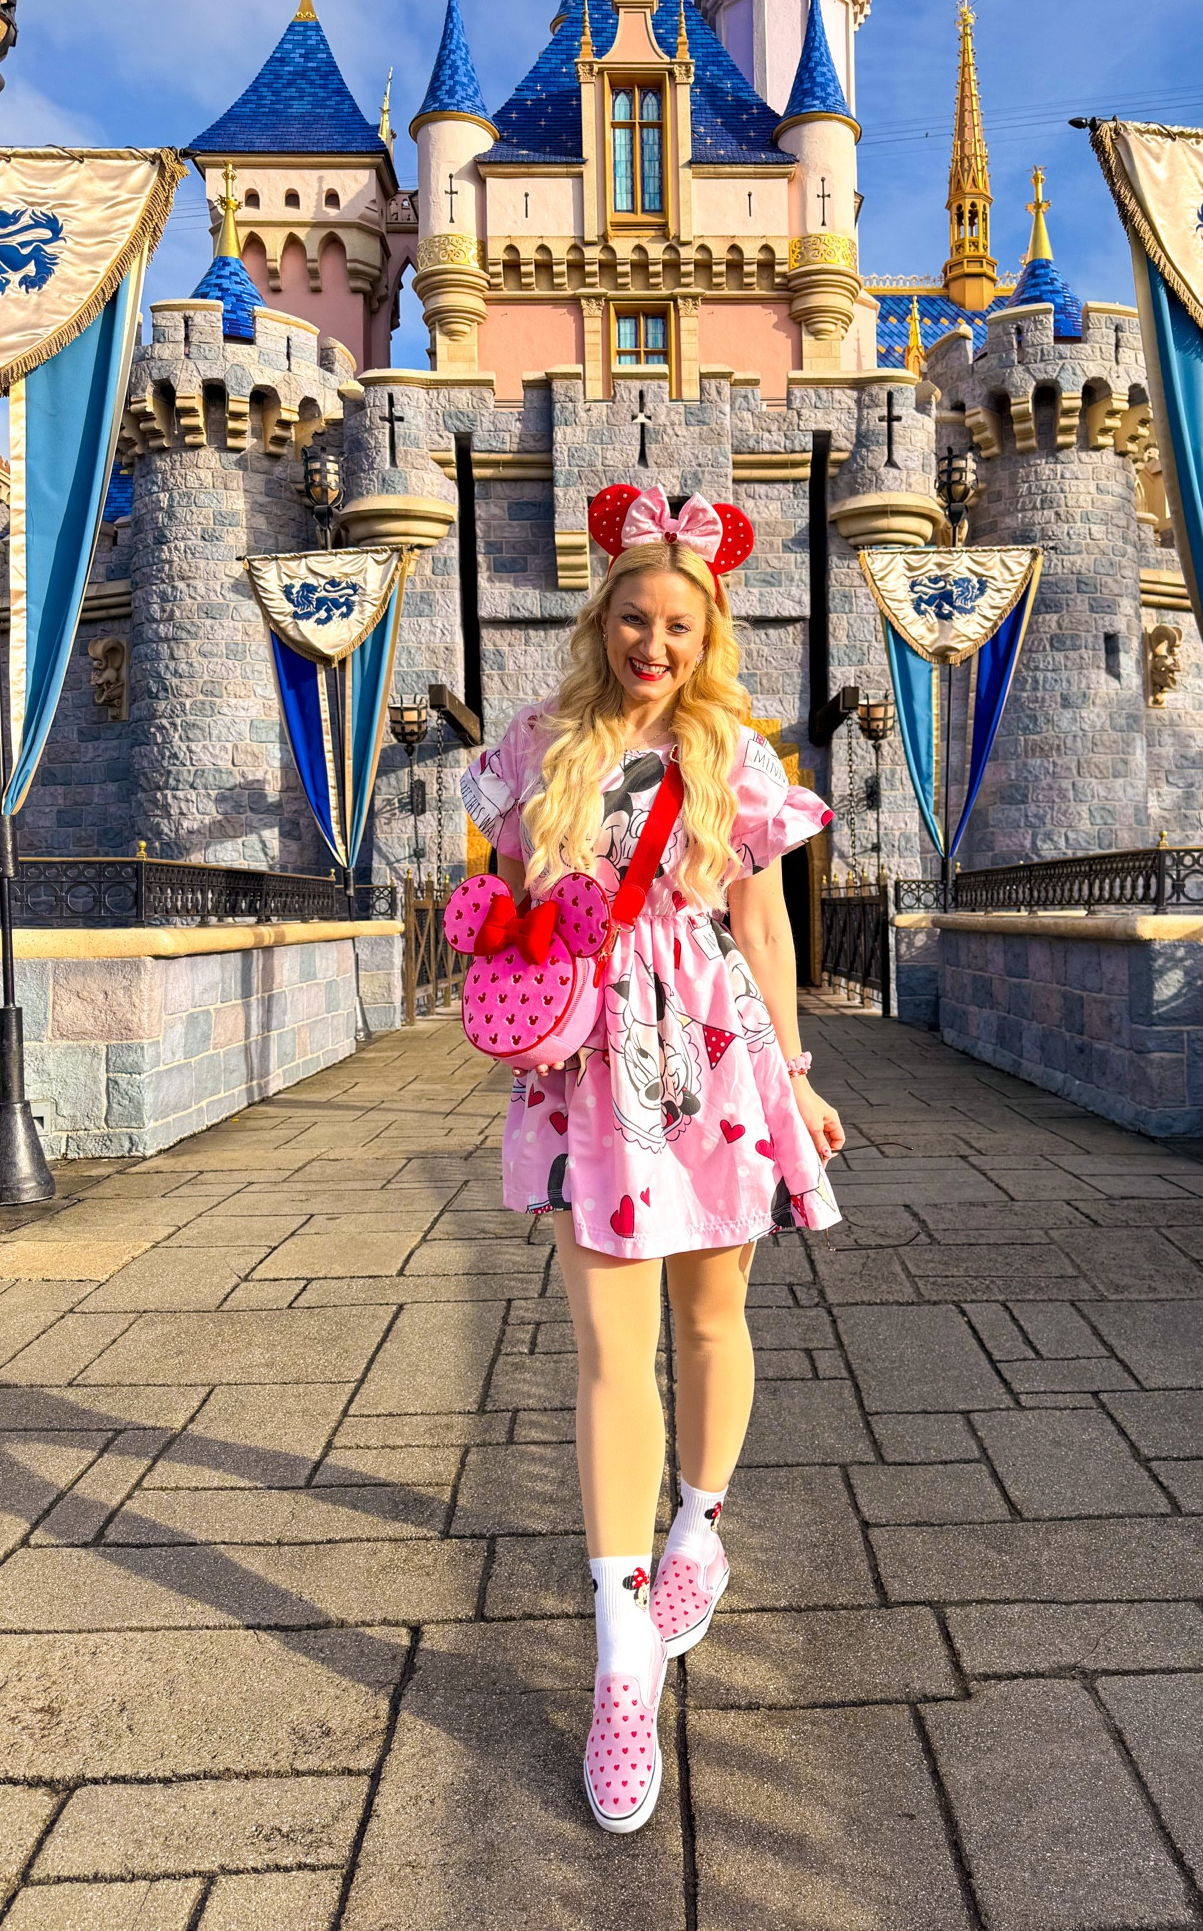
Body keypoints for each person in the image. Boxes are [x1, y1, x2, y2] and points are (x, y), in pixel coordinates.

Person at [460, 485, 845, 1833]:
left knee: (713, 1317)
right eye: (635, 618)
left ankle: (700, 1527)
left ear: (707, 633)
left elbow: (766, 926)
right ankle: (623, 1658)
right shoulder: (536, 746)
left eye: (680, 625)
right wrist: (501, 924)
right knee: (611, 1353)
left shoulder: (733, 753)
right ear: (601, 618)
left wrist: (800, 1072)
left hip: (716, 1055)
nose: (654, 644)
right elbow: (508, 904)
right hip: (588, 1068)